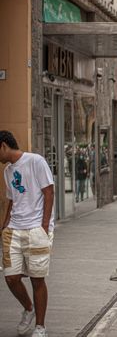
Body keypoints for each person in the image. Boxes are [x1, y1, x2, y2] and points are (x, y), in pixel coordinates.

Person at [0, 131, 54, 337]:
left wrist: (44, 226)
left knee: (36, 279)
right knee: (11, 278)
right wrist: (5, 226)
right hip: (14, 229)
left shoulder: (35, 161)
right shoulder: (7, 171)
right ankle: (29, 309)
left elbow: (49, 192)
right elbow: (12, 200)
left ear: (3, 146)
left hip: (35, 229)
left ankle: (40, 327)